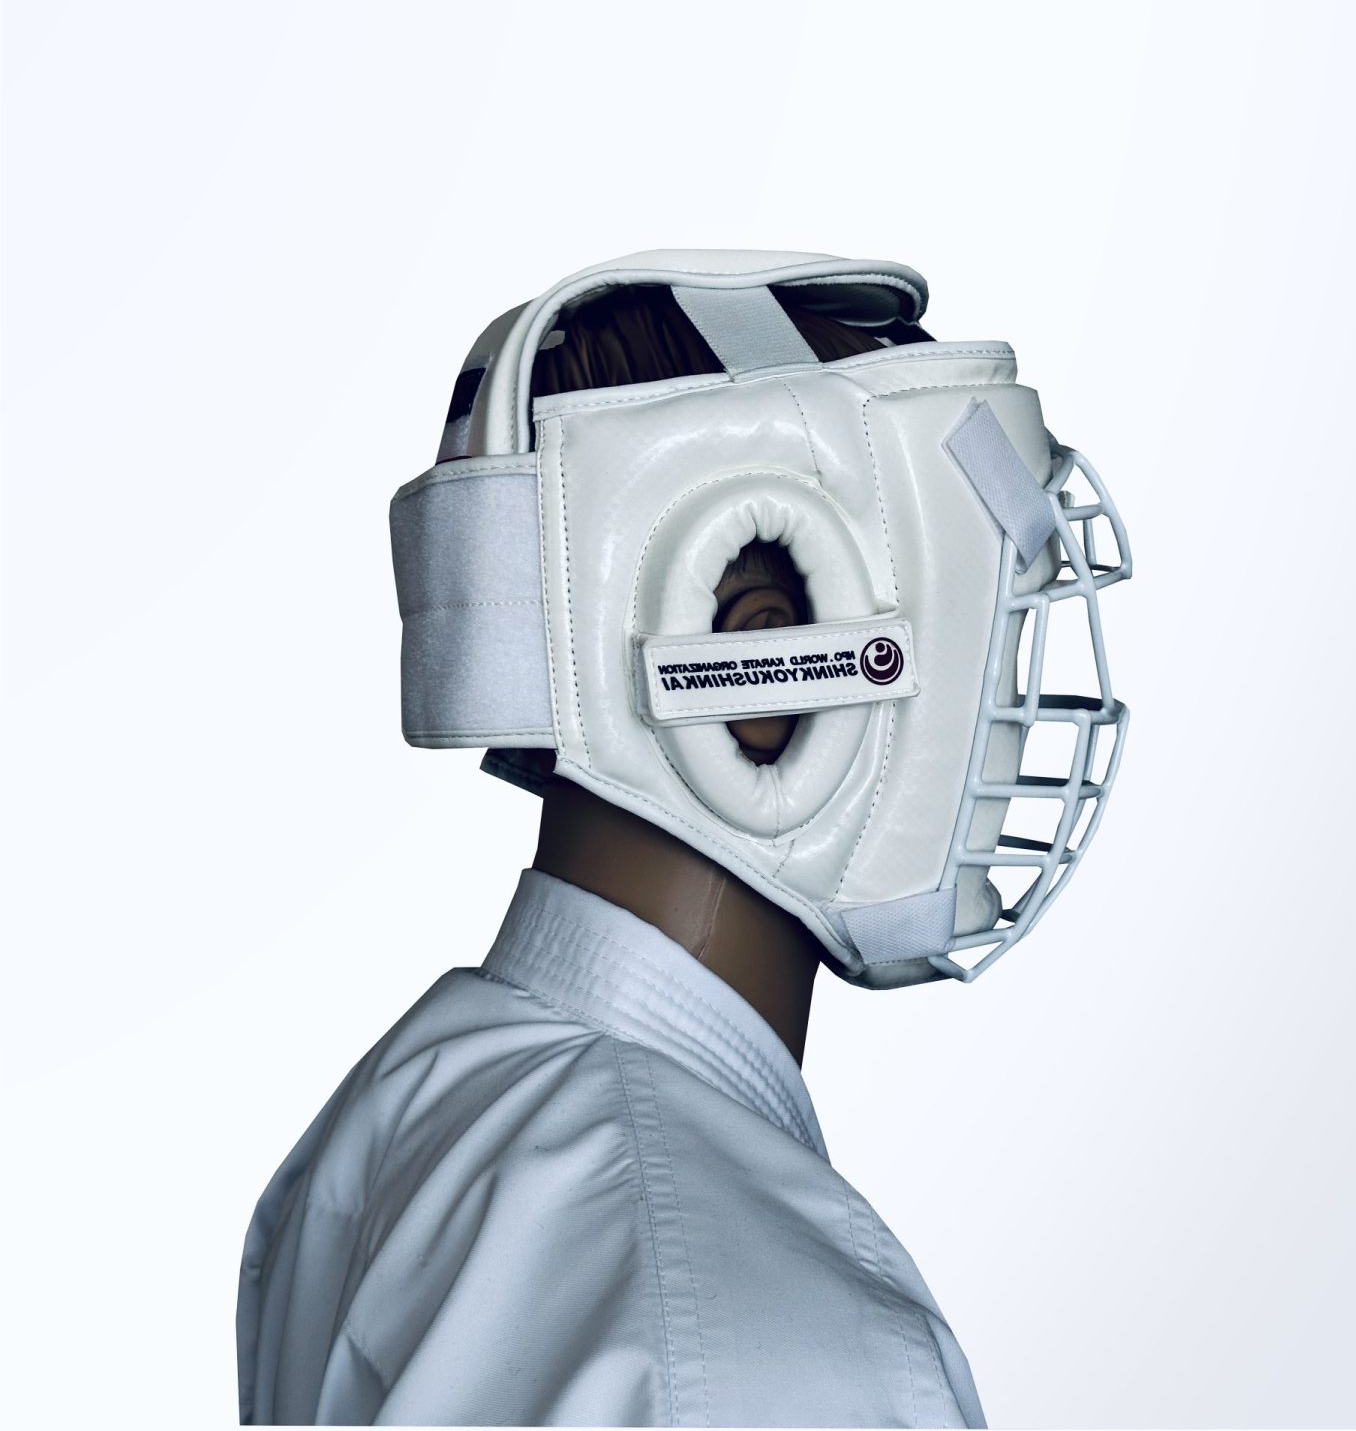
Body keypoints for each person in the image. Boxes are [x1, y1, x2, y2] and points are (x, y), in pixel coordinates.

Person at [237, 251, 1130, 1427]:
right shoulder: (751, 1345)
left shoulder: (412, 1110)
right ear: (756, 656)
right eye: (980, 639)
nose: (1007, 718)